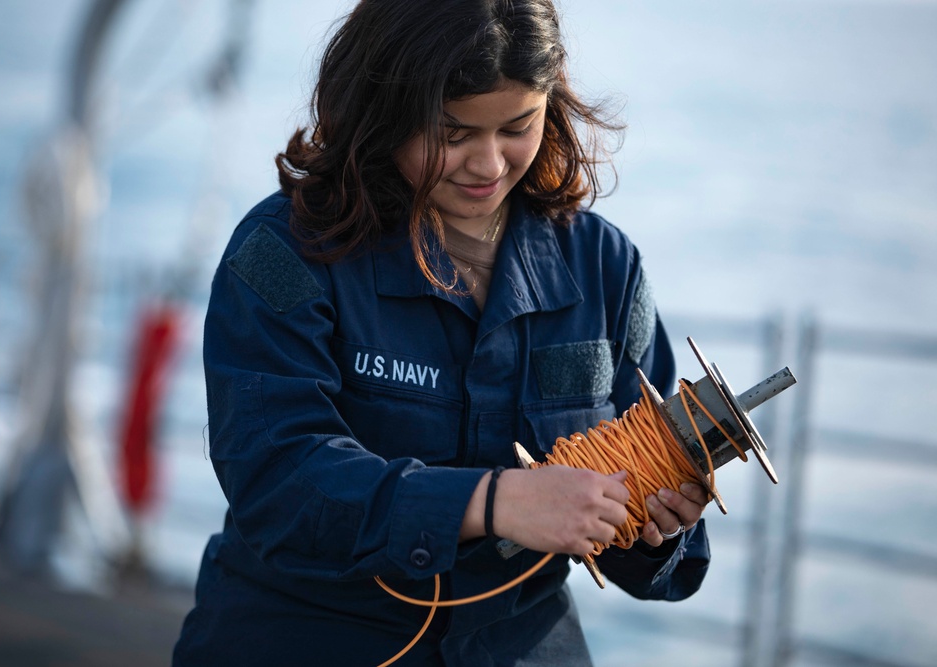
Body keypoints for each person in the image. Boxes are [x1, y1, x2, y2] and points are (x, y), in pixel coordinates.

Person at [172, 1, 710, 665]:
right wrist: (492, 501)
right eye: (452, 133)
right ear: (382, 111)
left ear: (552, 103)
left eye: (518, 126)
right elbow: (278, 479)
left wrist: (656, 531)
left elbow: (654, 551)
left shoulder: (608, 269)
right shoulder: (283, 252)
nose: (487, 164)